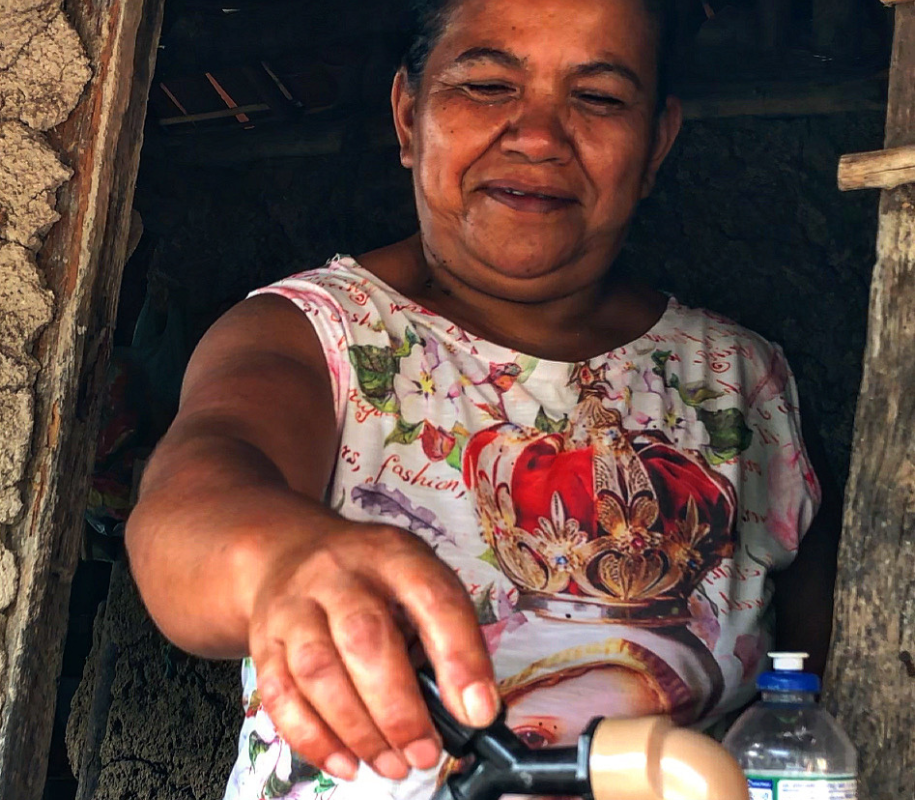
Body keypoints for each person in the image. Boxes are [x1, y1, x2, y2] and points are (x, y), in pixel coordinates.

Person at [124, 0, 842, 797]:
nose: (538, 136)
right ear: (408, 116)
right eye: (488, 86)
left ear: (656, 144)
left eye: (599, 98)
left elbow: (818, 701)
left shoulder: (740, 378)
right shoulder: (311, 335)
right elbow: (193, 497)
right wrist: (281, 561)